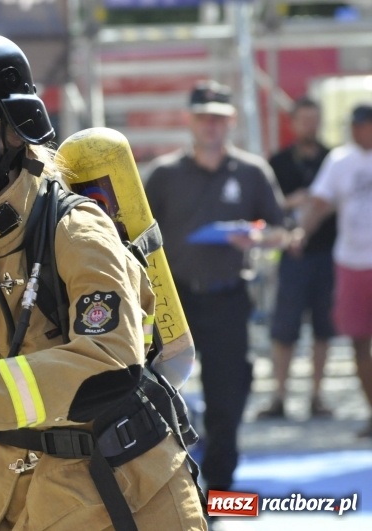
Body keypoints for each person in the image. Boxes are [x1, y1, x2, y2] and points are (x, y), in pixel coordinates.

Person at [0, 20, 207, 530]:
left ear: (9, 135)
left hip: (119, 499)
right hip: (15, 497)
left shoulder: (77, 232)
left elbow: (108, 366)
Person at [143, 80, 285, 494]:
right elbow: (135, 231)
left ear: (231, 122)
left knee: (228, 398)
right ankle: (168, 490)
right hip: (175, 300)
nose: (211, 126)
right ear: (189, 120)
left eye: (218, 119)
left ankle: (222, 493)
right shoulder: (164, 174)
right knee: (158, 393)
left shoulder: (253, 171)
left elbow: (283, 231)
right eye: (203, 117)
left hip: (228, 297)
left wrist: (257, 238)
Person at [294, 103, 372, 437]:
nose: (361, 131)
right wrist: (302, 233)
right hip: (352, 262)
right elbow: (320, 203)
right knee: (358, 341)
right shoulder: (341, 160)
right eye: (357, 126)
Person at [258, 97, 336, 420]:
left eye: (314, 119)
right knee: (284, 328)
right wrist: (293, 203)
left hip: (328, 254)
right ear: (293, 122)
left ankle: (317, 395)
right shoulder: (277, 162)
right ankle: (279, 396)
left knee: (324, 328)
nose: (310, 126)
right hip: (291, 256)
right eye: (304, 119)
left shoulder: (333, 159)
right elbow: (267, 209)